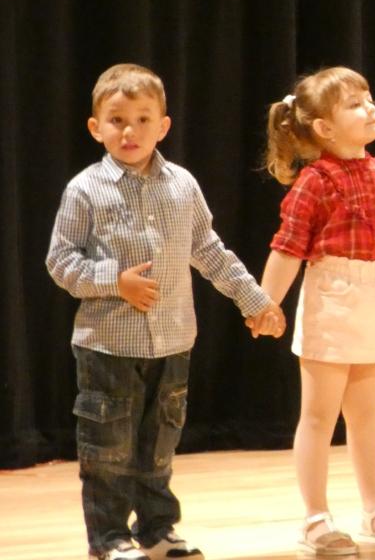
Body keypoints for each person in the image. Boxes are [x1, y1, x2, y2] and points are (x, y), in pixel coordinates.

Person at [47, 63, 285, 560]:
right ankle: (110, 538)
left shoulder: (181, 185)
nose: (129, 131)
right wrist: (116, 281)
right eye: (116, 120)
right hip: (108, 345)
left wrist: (256, 300)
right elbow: (61, 261)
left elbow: (210, 251)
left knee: (159, 444)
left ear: (163, 126)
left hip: (173, 340)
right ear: (95, 127)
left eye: (142, 119)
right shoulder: (85, 189)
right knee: (109, 447)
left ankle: (157, 530)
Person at [257, 67, 375, 555]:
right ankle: (315, 517)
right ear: (324, 128)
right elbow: (287, 249)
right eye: (355, 104)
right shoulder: (314, 181)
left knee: (367, 416)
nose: (370, 109)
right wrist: (265, 304)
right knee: (318, 417)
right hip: (333, 302)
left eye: (369, 99)